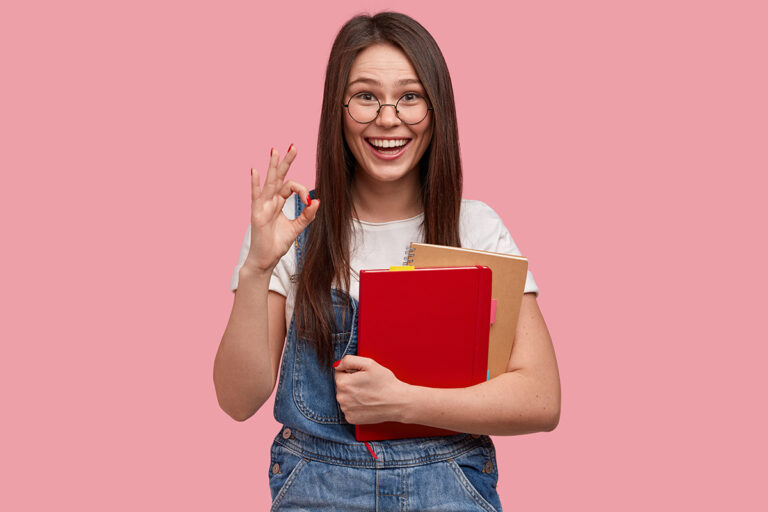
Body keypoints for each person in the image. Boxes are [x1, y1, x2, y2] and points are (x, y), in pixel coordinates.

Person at [213, 11, 560, 511]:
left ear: (436, 109)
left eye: (410, 97)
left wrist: (403, 402)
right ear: (338, 107)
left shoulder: (476, 229)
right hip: (318, 492)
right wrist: (257, 269)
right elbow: (236, 400)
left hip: (450, 489)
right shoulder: (290, 226)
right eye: (366, 96)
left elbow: (541, 399)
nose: (388, 118)